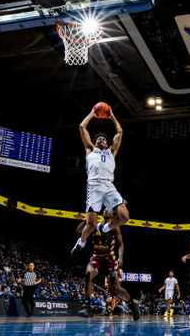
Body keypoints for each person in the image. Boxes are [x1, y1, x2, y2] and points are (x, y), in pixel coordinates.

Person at [71, 106, 129, 262]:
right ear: (95, 143)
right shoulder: (90, 150)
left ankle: (104, 228)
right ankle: (80, 244)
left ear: (107, 143)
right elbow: (82, 127)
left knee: (124, 216)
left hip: (109, 185)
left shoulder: (111, 152)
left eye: (104, 139)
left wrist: (112, 116)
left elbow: (120, 132)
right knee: (89, 226)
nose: (101, 140)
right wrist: (92, 113)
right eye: (98, 139)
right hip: (94, 186)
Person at [76, 209, 140, 321]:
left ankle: (132, 304)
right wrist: (85, 221)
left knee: (115, 287)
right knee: (88, 275)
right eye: (104, 209)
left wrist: (120, 257)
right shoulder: (94, 224)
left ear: (113, 215)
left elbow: (120, 244)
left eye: (109, 210)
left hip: (109, 258)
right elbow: (78, 231)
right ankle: (87, 306)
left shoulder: (114, 227)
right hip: (96, 257)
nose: (106, 210)